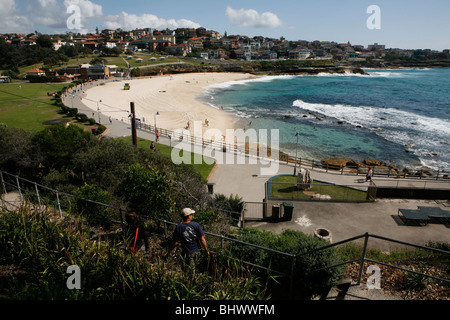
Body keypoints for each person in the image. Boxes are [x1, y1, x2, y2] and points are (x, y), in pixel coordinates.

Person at [168, 208, 209, 274]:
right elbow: (202, 239)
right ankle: (193, 282)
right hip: (197, 250)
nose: (192, 216)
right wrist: (206, 250)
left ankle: (190, 281)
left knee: (188, 270)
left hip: (187, 252)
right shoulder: (196, 225)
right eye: (191, 214)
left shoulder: (179, 227)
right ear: (188, 216)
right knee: (193, 271)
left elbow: (175, 243)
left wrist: (169, 251)